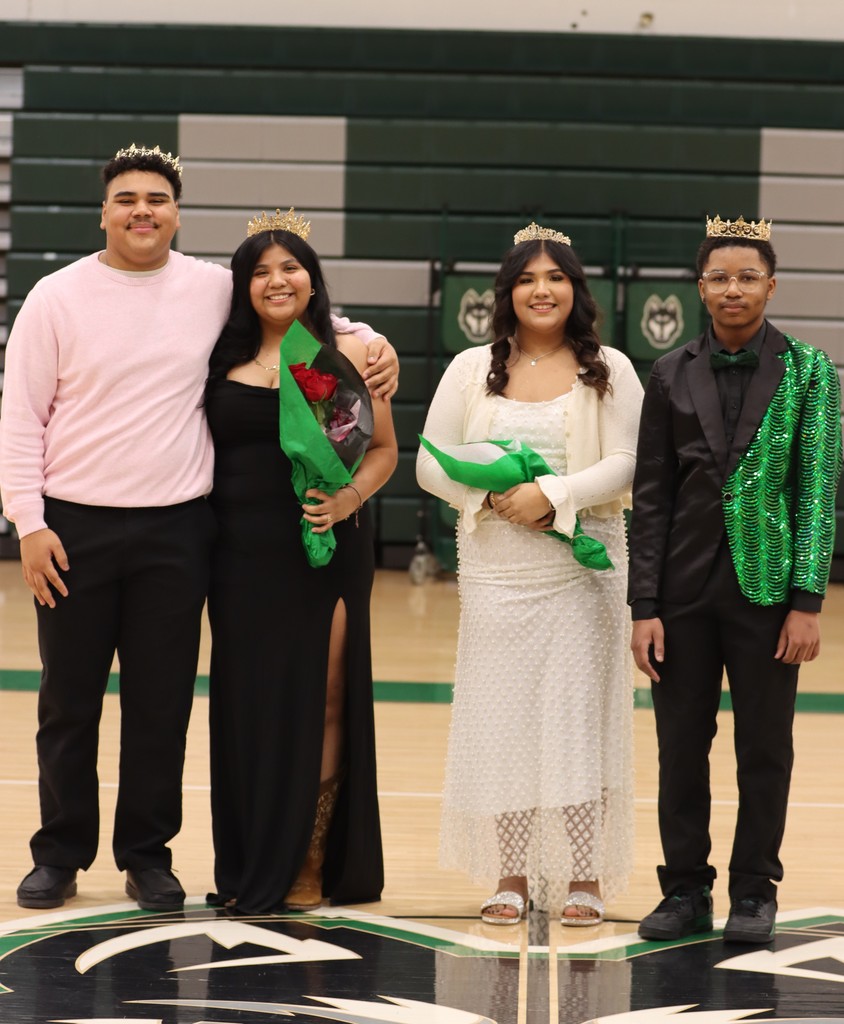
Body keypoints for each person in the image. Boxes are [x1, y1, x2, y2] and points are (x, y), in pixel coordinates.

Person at [0, 144, 399, 912]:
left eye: (156, 198)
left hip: (182, 527)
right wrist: (29, 521)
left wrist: (375, 346)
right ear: (105, 210)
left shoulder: (213, 288)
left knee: (161, 702)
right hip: (74, 527)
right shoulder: (56, 296)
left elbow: (310, 313)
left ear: (178, 214)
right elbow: (20, 419)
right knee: (69, 700)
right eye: (126, 198)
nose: (141, 210)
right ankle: (60, 852)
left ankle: (146, 855)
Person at [417, 222, 643, 924]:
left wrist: (557, 496)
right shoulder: (469, 368)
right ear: (506, 293)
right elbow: (430, 461)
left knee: (576, 722)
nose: (540, 290)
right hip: (497, 575)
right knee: (504, 723)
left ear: (576, 290)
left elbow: (633, 460)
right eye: (526, 280)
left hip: (582, 573)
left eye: (555, 278)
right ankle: (508, 874)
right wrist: (489, 496)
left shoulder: (610, 366)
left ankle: (585, 875)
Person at [629, 215, 842, 944]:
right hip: (681, 594)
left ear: (771, 285)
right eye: (719, 276)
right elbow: (651, 495)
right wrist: (644, 604)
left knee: (765, 747)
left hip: (769, 595)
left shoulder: (813, 371)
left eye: (748, 276)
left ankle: (756, 890)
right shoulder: (667, 372)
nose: (733, 288)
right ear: (700, 287)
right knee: (680, 748)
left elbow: (817, 491)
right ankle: (684, 887)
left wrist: (807, 602)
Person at [203, 209, 397, 914]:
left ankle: (312, 857)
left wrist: (347, 500)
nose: (277, 280)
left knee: (327, 697)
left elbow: (382, 451)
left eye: (291, 268)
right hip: (239, 559)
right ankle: (258, 854)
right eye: (261, 270)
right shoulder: (215, 360)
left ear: (314, 282)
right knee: (251, 706)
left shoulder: (344, 357)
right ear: (243, 286)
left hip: (328, 549)